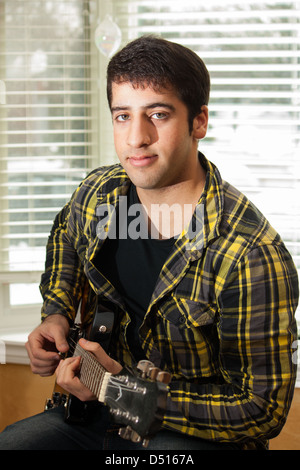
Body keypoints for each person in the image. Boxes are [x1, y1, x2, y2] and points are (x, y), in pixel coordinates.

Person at [0, 35, 298, 451]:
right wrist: (57, 315)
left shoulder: (249, 253)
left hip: (192, 435)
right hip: (93, 418)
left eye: (157, 114)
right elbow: (65, 239)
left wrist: (118, 389)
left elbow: (260, 409)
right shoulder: (98, 194)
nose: (136, 138)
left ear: (199, 122)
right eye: (123, 115)